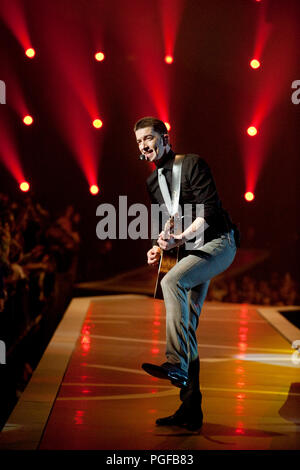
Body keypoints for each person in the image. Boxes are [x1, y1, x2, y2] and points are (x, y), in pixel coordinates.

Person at [134, 116, 239, 431]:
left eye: (149, 138)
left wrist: (180, 237)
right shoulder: (153, 183)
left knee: (172, 281)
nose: (144, 145)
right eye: (139, 142)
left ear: (165, 137)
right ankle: (191, 409)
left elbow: (209, 210)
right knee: (187, 327)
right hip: (192, 249)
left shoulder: (192, 164)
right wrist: (160, 244)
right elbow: (172, 222)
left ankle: (175, 363)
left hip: (220, 242)